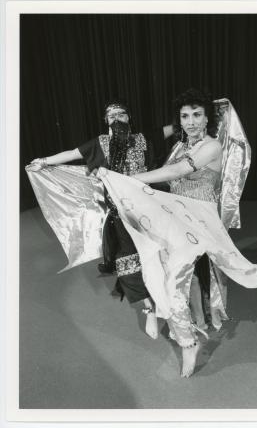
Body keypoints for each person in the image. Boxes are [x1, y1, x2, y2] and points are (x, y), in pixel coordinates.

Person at [96, 89, 257, 378]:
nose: (191, 121)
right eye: (185, 116)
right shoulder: (180, 146)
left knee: (179, 280)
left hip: (199, 221)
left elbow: (176, 173)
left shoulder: (211, 147)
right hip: (175, 217)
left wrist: (125, 179)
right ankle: (178, 325)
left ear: (207, 118)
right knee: (159, 273)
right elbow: (167, 177)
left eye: (197, 115)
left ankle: (188, 342)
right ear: (179, 120)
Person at [27, 100, 174, 340]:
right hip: (120, 215)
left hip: (150, 211)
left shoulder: (144, 138)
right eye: (111, 115)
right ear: (106, 122)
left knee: (159, 258)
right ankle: (149, 308)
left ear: (129, 117)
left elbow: (176, 127)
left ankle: (168, 299)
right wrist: (44, 161)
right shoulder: (99, 143)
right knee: (128, 262)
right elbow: (72, 154)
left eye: (121, 114)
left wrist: (209, 110)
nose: (117, 118)